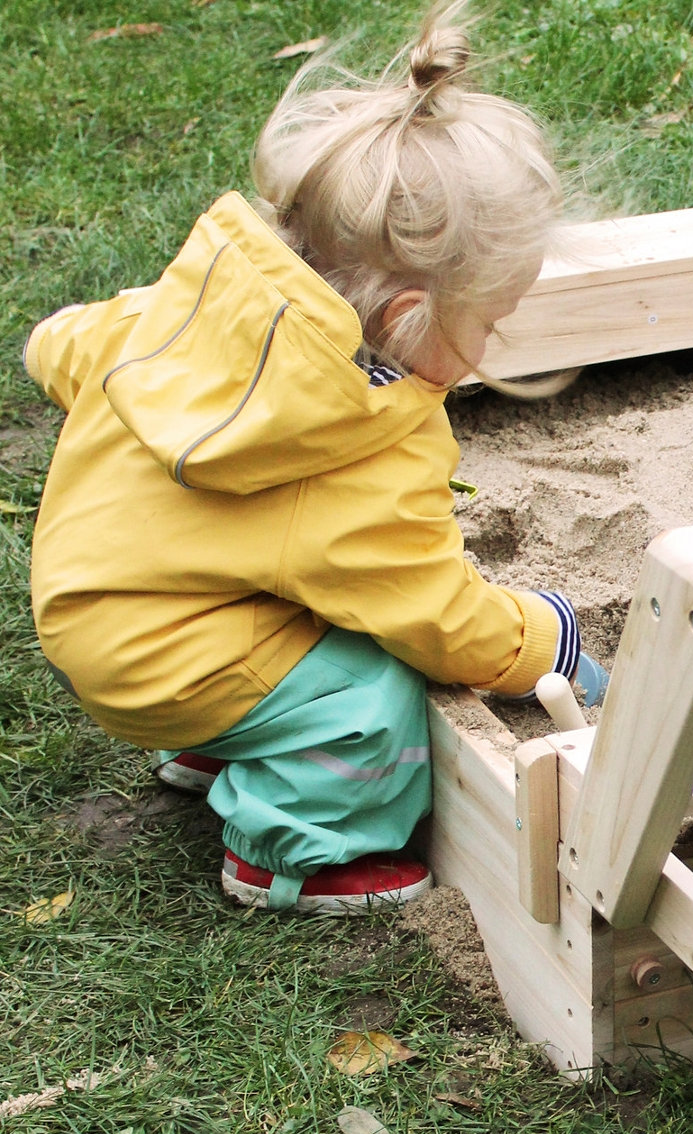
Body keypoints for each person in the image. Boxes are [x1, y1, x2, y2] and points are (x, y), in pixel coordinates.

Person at [22, 2, 604, 914]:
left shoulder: (187, 310)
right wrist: (545, 642)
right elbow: (435, 615)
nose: (498, 339)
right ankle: (296, 850)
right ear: (409, 318)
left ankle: (223, 736)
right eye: (490, 321)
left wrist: (57, 354)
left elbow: (66, 345)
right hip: (168, 655)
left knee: (284, 601)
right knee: (375, 689)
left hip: (92, 601)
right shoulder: (358, 449)